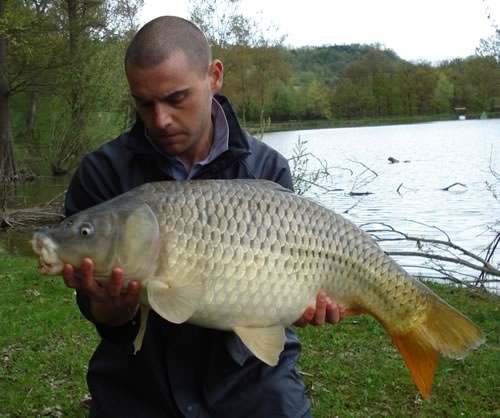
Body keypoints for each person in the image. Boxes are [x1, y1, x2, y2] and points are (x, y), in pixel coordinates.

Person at [62, 16, 344, 418]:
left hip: (251, 386)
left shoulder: (266, 168)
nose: (160, 120)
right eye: (144, 103)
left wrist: (302, 303)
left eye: (176, 99)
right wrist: (110, 306)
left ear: (214, 76)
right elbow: (104, 320)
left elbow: (283, 302)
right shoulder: (103, 174)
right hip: (139, 390)